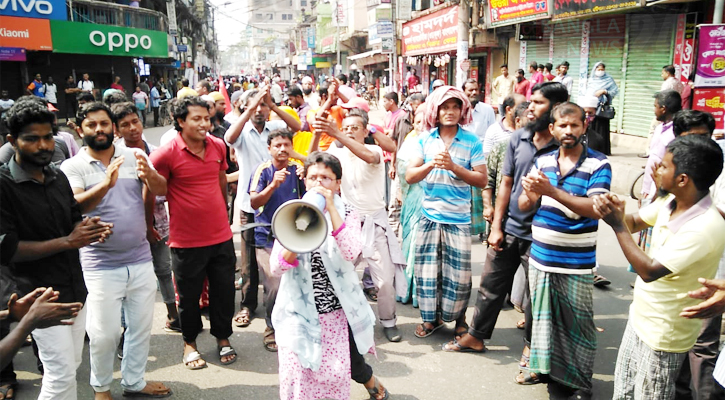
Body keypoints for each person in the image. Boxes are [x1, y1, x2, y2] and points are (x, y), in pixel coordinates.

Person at [445, 84, 567, 369]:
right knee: (490, 285)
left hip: (545, 234)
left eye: (538, 102)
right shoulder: (519, 138)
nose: (530, 108)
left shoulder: (565, 144)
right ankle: (476, 336)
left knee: (536, 296)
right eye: (530, 102)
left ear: (556, 107)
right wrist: (496, 226)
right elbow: (506, 184)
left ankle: (530, 347)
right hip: (512, 227)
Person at [594, 134, 725, 399]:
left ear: (682, 179)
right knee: (624, 392)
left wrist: (617, 224)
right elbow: (633, 221)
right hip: (641, 319)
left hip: (665, 335)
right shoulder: (670, 202)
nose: (656, 170)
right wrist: (616, 212)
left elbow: (650, 271)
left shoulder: (703, 226)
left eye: (664, 166)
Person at [0, 96, 114, 400]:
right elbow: (8, 250)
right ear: (12, 140)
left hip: (76, 289)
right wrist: (68, 242)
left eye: (48, 137)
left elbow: (74, 221)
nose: (43, 145)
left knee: (71, 365)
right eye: (32, 139)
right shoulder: (3, 185)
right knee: (60, 374)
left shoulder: (57, 174)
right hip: (37, 298)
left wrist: (91, 230)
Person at [61, 101, 171, 399]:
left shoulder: (134, 155)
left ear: (113, 127)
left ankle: (134, 382)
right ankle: (101, 387)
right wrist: (106, 184)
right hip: (100, 264)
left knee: (140, 327)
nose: (99, 129)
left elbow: (161, 190)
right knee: (103, 334)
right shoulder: (72, 166)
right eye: (92, 125)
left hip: (139, 258)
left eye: (104, 124)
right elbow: (75, 205)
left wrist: (150, 174)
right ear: (80, 129)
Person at [270, 151, 390, 400]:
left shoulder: (349, 213)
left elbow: (350, 252)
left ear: (337, 183)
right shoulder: (293, 211)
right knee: (298, 373)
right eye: (313, 177)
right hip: (298, 309)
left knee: (334, 375)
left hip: (335, 311)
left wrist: (333, 209)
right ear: (305, 180)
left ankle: (366, 381)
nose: (318, 182)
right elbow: (276, 267)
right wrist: (298, 236)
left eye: (326, 177)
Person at [516, 102, 611, 396]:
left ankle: (579, 380)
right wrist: (531, 195)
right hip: (542, 257)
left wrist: (551, 191)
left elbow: (595, 208)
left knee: (578, 326)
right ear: (553, 129)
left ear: (584, 127)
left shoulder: (599, 164)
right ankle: (546, 372)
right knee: (543, 321)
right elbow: (523, 205)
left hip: (576, 262)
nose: (568, 131)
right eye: (563, 125)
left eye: (574, 125)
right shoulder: (543, 161)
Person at [149, 96, 238, 370]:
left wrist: (223, 210)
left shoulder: (218, 145)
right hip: (186, 241)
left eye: (207, 118)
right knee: (188, 299)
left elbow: (221, 177)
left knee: (223, 294)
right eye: (196, 118)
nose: (204, 124)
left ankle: (223, 338)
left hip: (221, 237)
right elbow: (155, 190)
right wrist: (147, 223)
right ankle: (190, 343)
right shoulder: (165, 153)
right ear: (180, 122)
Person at [312, 108, 406, 343]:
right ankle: (340, 319)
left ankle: (388, 322)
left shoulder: (373, 149)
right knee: (338, 274)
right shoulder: (336, 151)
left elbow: (370, 157)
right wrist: (319, 132)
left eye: (355, 128)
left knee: (384, 280)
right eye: (346, 128)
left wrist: (338, 133)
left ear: (366, 131)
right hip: (348, 222)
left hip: (375, 223)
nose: (349, 132)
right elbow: (312, 161)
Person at [405, 85, 487, 340]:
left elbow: (482, 180)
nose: (450, 112)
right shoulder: (424, 139)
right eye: (445, 107)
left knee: (460, 277)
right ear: (435, 111)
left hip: (458, 219)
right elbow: (410, 176)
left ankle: (460, 320)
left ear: (462, 110)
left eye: (455, 107)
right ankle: (431, 321)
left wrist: (454, 167)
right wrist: (431, 164)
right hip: (429, 216)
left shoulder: (472, 141)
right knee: (428, 273)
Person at [224, 87, 302, 329]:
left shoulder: (275, 131)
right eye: (256, 106)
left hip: (280, 207)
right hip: (251, 205)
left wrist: (274, 105)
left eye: (263, 106)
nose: (260, 110)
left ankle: (282, 309)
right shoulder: (242, 130)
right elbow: (228, 139)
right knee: (249, 264)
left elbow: (297, 128)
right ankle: (247, 306)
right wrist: (249, 107)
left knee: (278, 265)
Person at [111, 102, 180, 332]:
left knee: (163, 268)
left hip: (159, 224)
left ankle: (173, 315)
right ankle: (125, 329)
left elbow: (166, 188)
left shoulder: (155, 151)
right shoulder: (114, 157)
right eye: (125, 125)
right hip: (127, 229)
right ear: (117, 129)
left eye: (135, 122)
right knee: (127, 280)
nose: (132, 128)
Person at [248, 129, 305, 352]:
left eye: (286, 145)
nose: (282, 149)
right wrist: (273, 184)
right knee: (274, 284)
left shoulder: (298, 170)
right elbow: (254, 202)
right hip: (266, 237)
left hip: (293, 237)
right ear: (269, 149)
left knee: (297, 283)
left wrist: (304, 172)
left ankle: (295, 325)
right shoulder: (263, 170)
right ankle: (271, 329)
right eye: (277, 145)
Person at [396, 106, 426, 306]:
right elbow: (402, 170)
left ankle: (423, 293)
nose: (422, 125)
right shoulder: (410, 142)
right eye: (418, 122)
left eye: (427, 121)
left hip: (432, 197)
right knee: (411, 241)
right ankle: (407, 289)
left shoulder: (437, 142)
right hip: (415, 195)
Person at [642, 90, 682, 201]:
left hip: (663, 189)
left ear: (663, 109)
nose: (654, 110)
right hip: (650, 186)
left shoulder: (677, 131)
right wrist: (645, 190)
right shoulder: (659, 128)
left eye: (655, 106)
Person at [585, 62, 619, 156]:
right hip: (592, 107)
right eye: (598, 69)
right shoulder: (591, 80)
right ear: (594, 69)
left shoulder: (608, 79)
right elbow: (588, 92)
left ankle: (603, 150)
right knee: (591, 127)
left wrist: (605, 91)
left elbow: (615, 91)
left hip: (602, 108)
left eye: (602, 69)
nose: (600, 71)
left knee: (602, 128)